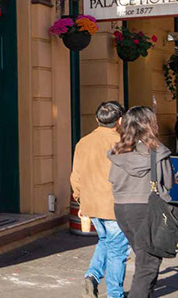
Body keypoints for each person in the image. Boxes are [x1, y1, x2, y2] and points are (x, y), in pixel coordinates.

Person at [109, 105, 174, 298]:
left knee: (143, 257)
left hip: (121, 209)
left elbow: (113, 180)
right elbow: (168, 184)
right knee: (148, 263)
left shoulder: (119, 151)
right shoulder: (157, 151)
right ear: (150, 124)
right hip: (147, 209)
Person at [71, 101, 126, 298]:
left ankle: (93, 275)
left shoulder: (83, 142)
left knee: (105, 241)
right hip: (114, 205)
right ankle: (115, 294)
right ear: (120, 120)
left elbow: (76, 176)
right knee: (117, 250)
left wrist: (80, 199)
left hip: (91, 204)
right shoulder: (122, 143)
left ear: (97, 119)